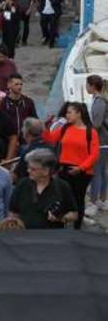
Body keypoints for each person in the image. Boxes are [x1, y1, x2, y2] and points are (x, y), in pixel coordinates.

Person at [42, 102, 99, 229]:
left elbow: (94, 154)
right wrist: (46, 126)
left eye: (69, 112)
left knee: (78, 200)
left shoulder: (91, 131)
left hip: (82, 171)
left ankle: (77, 229)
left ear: (78, 114)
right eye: (66, 112)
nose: (66, 115)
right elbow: (50, 139)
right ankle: (62, 225)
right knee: (62, 198)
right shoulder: (65, 128)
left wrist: (80, 168)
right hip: (64, 168)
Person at [8, 149, 78, 228]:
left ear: (46, 171)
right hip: (24, 236)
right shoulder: (22, 184)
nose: (28, 171)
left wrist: (61, 218)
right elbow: (13, 213)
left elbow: (74, 214)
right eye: (28, 167)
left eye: (33, 169)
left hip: (51, 237)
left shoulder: (62, 186)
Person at [86, 75, 108, 217]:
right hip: (104, 142)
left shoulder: (99, 102)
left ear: (93, 86)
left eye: (87, 85)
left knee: (97, 173)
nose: (86, 87)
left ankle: (94, 203)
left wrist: (84, 130)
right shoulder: (99, 100)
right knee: (103, 172)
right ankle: (102, 200)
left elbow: (97, 124)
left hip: (100, 142)